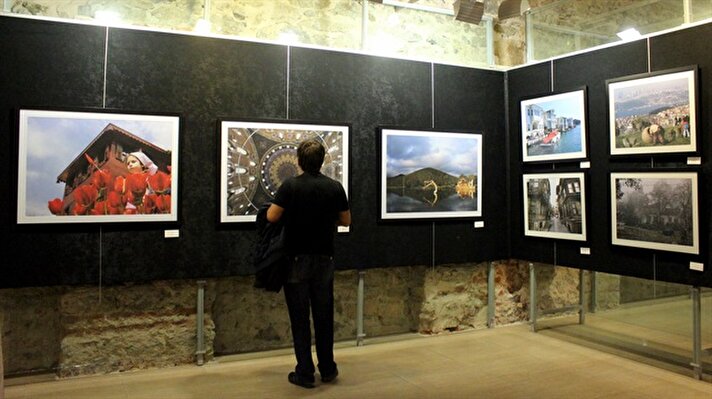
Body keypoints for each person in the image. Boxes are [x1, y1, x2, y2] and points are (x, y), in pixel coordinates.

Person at [267, 139, 351, 389]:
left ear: (299, 161)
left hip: (295, 260)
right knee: (324, 316)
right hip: (324, 259)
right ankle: (327, 368)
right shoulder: (334, 187)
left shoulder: (290, 186)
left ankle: (304, 372)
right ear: (322, 160)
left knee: (300, 318)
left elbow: (272, 216)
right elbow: (346, 220)